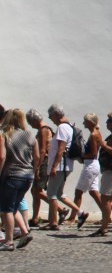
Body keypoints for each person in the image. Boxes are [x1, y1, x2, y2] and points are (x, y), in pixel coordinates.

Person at [1, 109, 39, 250]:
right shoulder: (30, 135)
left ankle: (9, 241)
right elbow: (37, 157)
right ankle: (24, 232)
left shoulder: (6, 134)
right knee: (14, 206)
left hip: (11, 175)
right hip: (27, 176)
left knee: (7, 209)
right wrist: (33, 171)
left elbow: (2, 157)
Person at [43, 104, 79, 230]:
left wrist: (54, 166)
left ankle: (53, 222)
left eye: (50, 116)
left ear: (56, 115)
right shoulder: (68, 126)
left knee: (51, 194)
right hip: (65, 165)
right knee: (58, 193)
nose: (50, 118)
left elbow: (61, 149)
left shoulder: (62, 128)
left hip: (60, 166)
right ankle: (81, 213)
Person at [71, 113, 104, 230]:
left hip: (90, 165)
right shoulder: (95, 133)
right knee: (94, 192)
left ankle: (73, 216)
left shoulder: (94, 134)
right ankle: (106, 214)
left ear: (90, 122)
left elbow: (93, 153)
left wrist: (81, 155)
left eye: (85, 121)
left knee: (78, 192)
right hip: (93, 165)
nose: (83, 123)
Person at [25, 110, 52, 227]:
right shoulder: (43, 129)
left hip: (43, 162)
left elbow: (42, 150)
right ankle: (35, 218)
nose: (30, 125)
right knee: (34, 191)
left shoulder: (43, 130)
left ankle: (60, 209)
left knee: (38, 191)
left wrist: (37, 167)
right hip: (43, 161)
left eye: (30, 122)